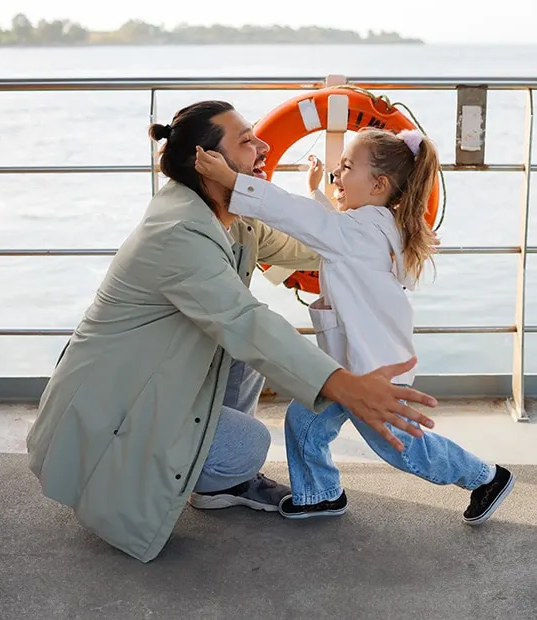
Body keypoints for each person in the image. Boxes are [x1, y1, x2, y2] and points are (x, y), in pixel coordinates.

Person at [26, 101, 437, 564]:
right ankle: (214, 475)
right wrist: (347, 387)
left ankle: (211, 484)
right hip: (111, 411)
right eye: (246, 140)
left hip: (153, 378)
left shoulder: (235, 220)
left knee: (242, 358)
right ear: (209, 162)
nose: (263, 145)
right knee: (249, 445)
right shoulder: (179, 231)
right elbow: (248, 324)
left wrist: (388, 240)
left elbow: (315, 244)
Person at [194, 126, 515, 525]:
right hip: (352, 367)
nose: (335, 174)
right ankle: (321, 495)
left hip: (373, 372)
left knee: (403, 449)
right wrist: (316, 190)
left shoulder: (360, 231)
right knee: (304, 420)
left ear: (378, 183)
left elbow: (302, 219)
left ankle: (486, 477)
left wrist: (232, 180)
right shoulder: (377, 225)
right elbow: (330, 231)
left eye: (346, 167)